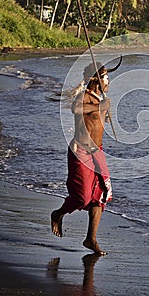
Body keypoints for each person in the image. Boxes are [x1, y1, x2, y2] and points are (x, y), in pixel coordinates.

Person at [51, 59, 120, 256]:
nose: (109, 83)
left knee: (100, 196)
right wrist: (100, 108)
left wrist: (106, 114)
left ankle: (91, 238)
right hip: (80, 152)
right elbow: (76, 110)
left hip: (97, 152)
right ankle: (58, 214)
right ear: (97, 81)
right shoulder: (84, 97)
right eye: (107, 79)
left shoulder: (99, 99)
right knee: (82, 197)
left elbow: (97, 121)